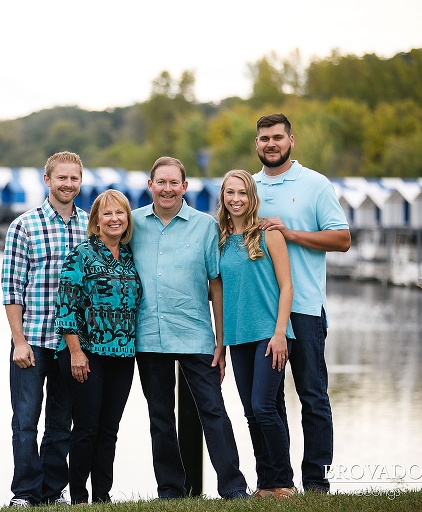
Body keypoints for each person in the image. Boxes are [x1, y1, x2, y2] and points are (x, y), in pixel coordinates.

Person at [130, 156, 250, 500]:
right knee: (160, 417)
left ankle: (233, 487)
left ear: (185, 187)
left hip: (197, 335)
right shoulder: (132, 224)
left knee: (213, 410)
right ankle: (171, 491)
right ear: (150, 185)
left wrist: (221, 341)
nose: (167, 189)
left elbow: (216, 285)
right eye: (161, 182)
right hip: (148, 336)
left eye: (174, 183)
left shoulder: (206, 226)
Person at [253, 113, 351, 494]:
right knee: (266, 402)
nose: (271, 144)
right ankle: (276, 481)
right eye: (264, 138)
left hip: (306, 309)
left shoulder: (314, 184)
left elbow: (342, 239)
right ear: (256, 143)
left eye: (278, 137)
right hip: (264, 311)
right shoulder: (249, 187)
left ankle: (317, 482)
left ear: (291, 140)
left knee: (312, 396)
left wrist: (291, 234)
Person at [1, 150, 89, 507]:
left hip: (72, 345)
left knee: (60, 423)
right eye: (62, 178)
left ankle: (52, 492)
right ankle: (24, 494)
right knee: (24, 421)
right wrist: (18, 340)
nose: (68, 184)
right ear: (47, 179)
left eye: (74, 178)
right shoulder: (24, 225)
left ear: (80, 182)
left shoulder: (90, 225)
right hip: (33, 342)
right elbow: (12, 288)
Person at [54, 189, 142, 505]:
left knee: (109, 430)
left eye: (120, 213)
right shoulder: (81, 255)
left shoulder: (132, 256)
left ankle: (102, 496)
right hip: (86, 354)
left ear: (127, 219)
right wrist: (75, 352)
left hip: (123, 355)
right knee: (86, 428)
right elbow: (65, 307)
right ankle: (78, 495)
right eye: (107, 214)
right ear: (96, 221)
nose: (114, 219)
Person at [216, 169, 296, 498]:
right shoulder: (218, 238)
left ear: (252, 197)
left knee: (265, 406)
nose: (236, 199)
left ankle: (284, 481)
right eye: (230, 192)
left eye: (243, 193)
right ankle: (265, 483)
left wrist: (280, 334)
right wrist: (220, 344)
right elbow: (218, 290)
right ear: (223, 196)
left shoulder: (267, 233)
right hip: (238, 336)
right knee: (252, 411)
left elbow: (287, 285)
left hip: (270, 333)